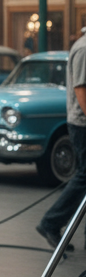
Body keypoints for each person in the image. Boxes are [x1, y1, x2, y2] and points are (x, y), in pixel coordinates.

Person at [36, 29, 86, 251]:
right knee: (84, 177)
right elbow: (81, 90)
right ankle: (51, 222)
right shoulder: (85, 49)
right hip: (83, 125)